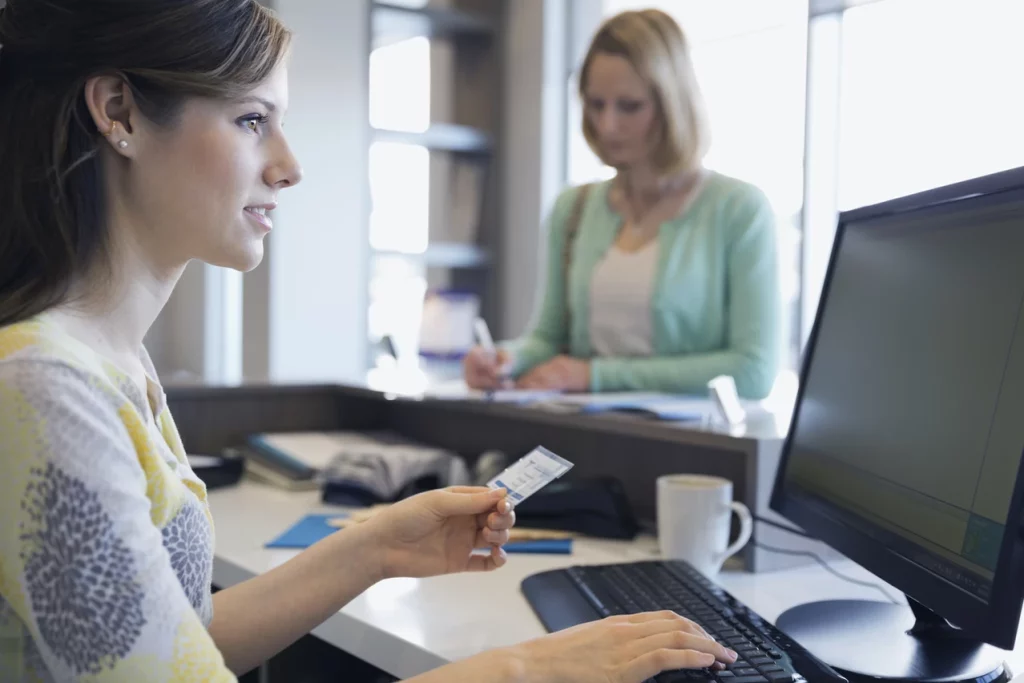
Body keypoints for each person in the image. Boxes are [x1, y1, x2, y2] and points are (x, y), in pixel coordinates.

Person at [0, 1, 738, 681]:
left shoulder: (112, 361)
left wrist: (376, 546)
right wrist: (530, 669)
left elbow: (175, 646)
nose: (288, 167)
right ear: (118, 111)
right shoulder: (44, 387)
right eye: (253, 119)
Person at [464, 9, 780, 400]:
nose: (607, 125)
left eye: (629, 106)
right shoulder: (573, 209)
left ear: (671, 104)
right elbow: (547, 339)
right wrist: (504, 359)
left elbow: (754, 371)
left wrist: (595, 375)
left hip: (695, 448)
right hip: (585, 437)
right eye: (596, 105)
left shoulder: (739, 210)